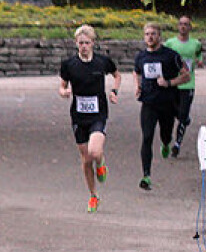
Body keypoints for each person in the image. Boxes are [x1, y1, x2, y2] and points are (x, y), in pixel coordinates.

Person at [58, 25, 121, 213]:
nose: (84, 46)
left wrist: (114, 91)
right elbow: (61, 86)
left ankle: (101, 164)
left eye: (87, 43)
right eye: (80, 43)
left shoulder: (102, 62)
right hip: (78, 115)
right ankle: (93, 195)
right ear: (76, 44)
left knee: (94, 152)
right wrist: (65, 92)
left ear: (93, 43)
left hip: (98, 113)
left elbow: (117, 76)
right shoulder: (69, 65)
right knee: (85, 159)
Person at [134, 23, 190, 191]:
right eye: (147, 34)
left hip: (167, 103)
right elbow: (136, 71)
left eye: (153, 34)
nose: (150, 37)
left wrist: (169, 83)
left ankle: (166, 144)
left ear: (159, 36)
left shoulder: (170, 55)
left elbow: (186, 76)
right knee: (147, 137)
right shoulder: (140, 57)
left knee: (165, 134)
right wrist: (138, 86)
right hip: (148, 103)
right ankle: (146, 175)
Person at [164, 16, 203, 157]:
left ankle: (177, 144)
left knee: (183, 114)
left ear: (190, 27)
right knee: (174, 113)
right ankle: (185, 118)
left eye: (186, 24)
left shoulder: (195, 43)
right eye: (181, 24)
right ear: (177, 26)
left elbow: (199, 53)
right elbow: (164, 57)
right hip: (174, 84)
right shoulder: (170, 43)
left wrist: (199, 60)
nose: (183, 27)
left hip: (188, 84)